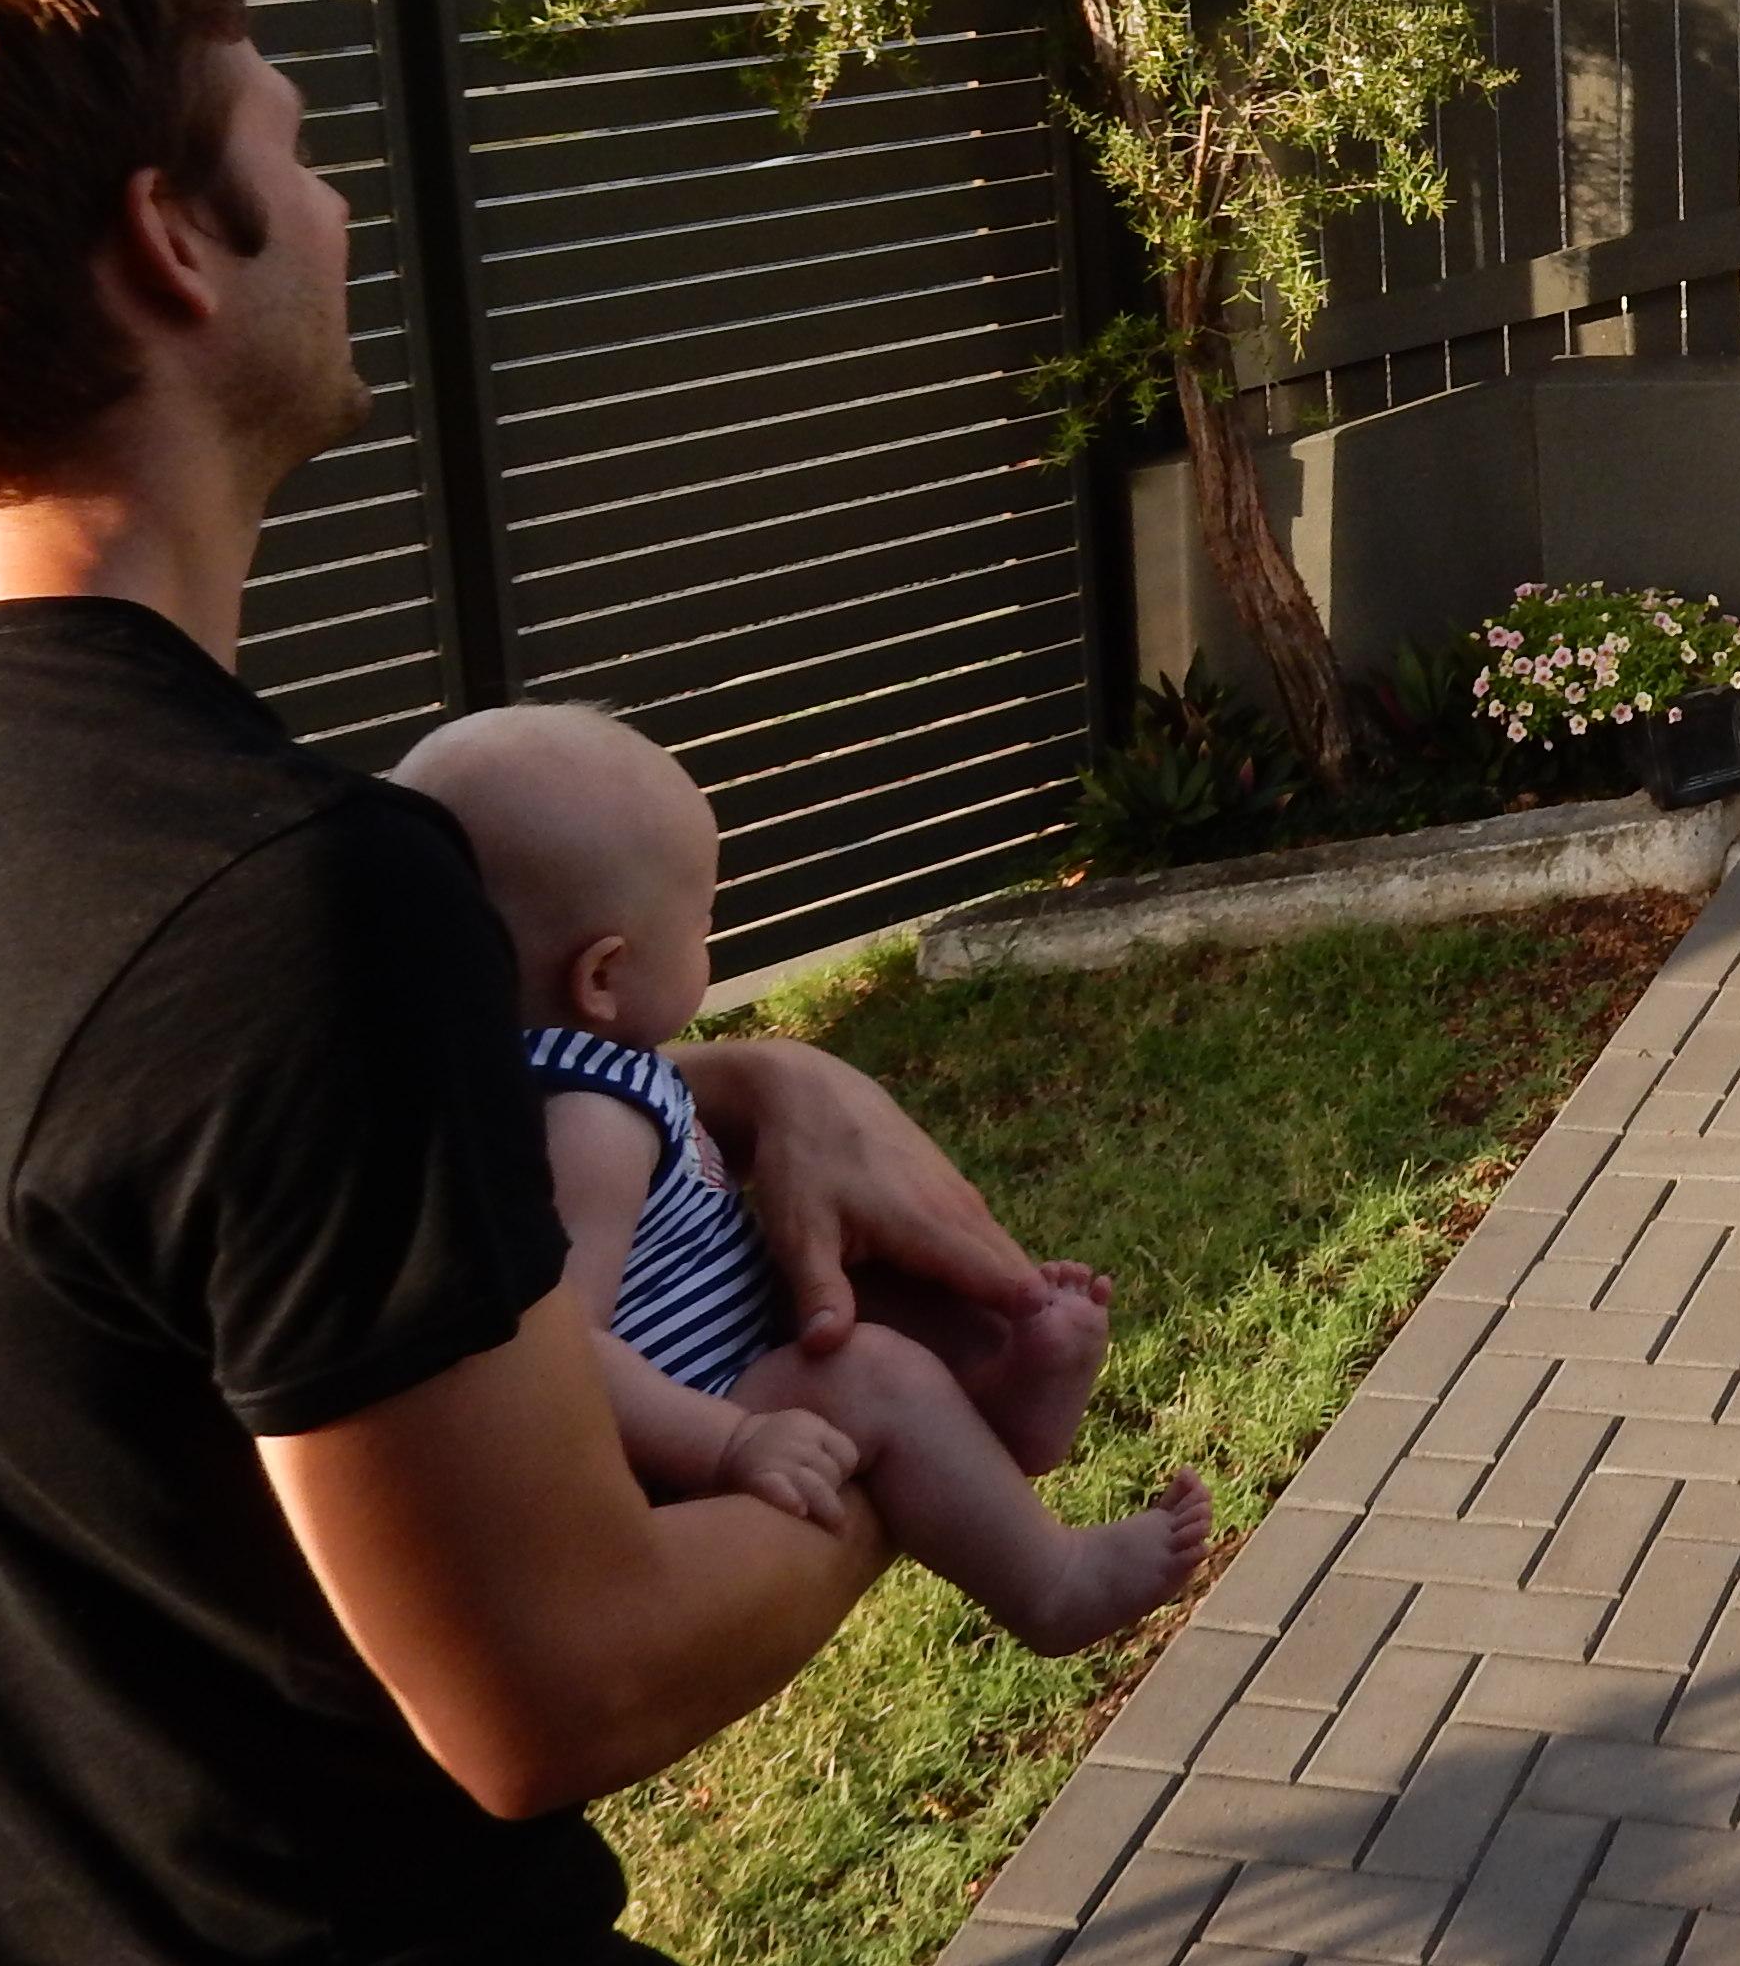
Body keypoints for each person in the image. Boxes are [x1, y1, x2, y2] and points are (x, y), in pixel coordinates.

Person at [0, 0, 1049, 1965]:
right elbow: (558, 1687)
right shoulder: (289, 899)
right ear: (174, 240)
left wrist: (729, 1081)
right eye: (302, 146)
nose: (344, 210)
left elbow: (92, 1207)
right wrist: (903, 1434)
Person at [398, 701, 1211, 1657]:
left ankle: (1005, 1405)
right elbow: (560, 1352)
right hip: (690, 1421)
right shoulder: (589, 1119)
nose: (709, 943)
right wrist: (729, 1442)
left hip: (731, 1351)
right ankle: (1052, 1582)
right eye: (701, 923)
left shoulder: (533, 1084)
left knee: (869, 1297)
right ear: (603, 977)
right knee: (870, 1372)